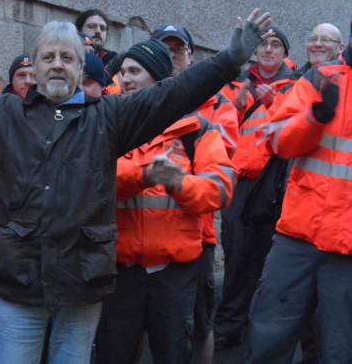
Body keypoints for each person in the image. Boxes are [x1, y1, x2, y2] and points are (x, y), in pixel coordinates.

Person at [0, 0, 270, 364]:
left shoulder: (107, 118)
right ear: (32, 68)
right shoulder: (1, 116)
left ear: (80, 69)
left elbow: (173, 93)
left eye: (67, 58)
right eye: (48, 57)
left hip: (81, 288)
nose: (57, 65)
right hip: (18, 285)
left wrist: (229, 60)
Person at [96, 39, 234, 364]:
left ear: (158, 78)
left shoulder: (197, 130)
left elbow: (220, 191)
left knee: (173, 355)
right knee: (114, 354)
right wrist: (145, 175)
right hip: (119, 271)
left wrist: (178, 183)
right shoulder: (106, 123)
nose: (124, 78)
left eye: (134, 71)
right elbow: (92, 180)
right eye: (122, 72)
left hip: (174, 273)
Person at [246, 21, 352, 364]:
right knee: (269, 335)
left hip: (347, 249)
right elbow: (278, 140)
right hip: (299, 236)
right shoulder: (320, 79)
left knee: (339, 349)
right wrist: (314, 118)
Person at [151, 24, 239, 363]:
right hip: (141, 235)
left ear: (191, 55)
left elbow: (221, 165)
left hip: (196, 235)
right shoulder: (138, 100)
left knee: (199, 323)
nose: (172, 56)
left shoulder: (218, 106)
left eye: (178, 49)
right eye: (165, 49)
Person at [213, 25, 297, 350]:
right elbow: (218, 126)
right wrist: (237, 104)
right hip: (240, 181)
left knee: (264, 258)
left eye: (276, 45)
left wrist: (276, 103)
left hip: (273, 183)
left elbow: (298, 130)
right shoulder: (235, 85)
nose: (268, 49)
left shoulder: (299, 86)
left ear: (285, 54)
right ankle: (229, 326)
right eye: (263, 44)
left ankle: (254, 329)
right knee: (235, 255)